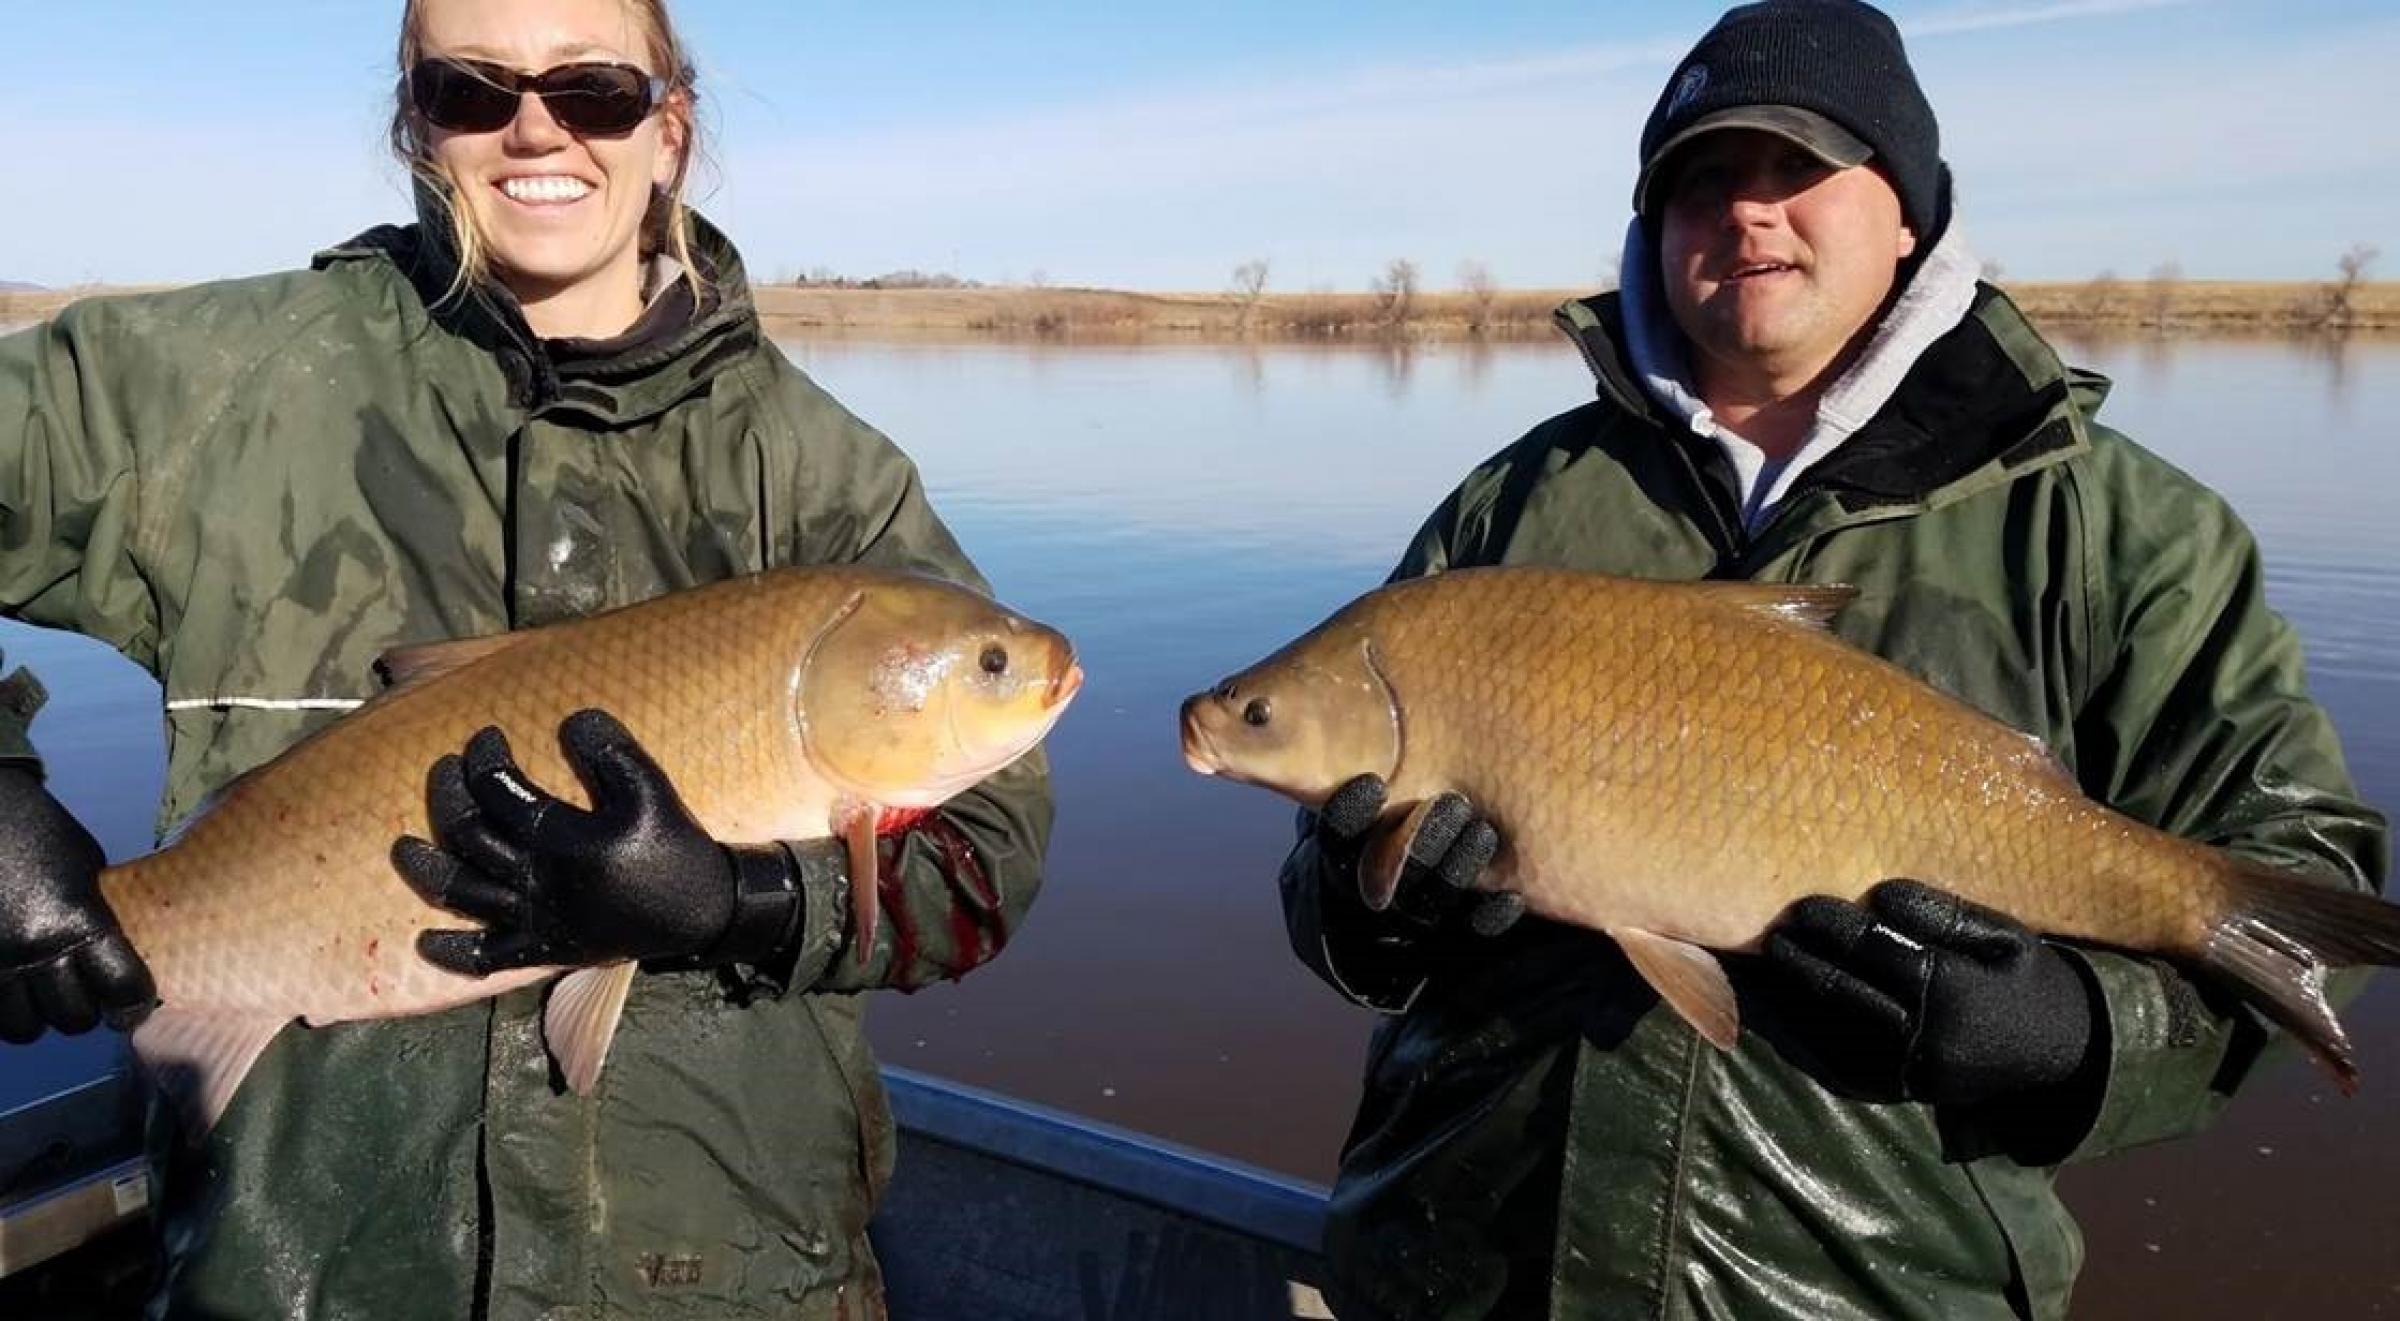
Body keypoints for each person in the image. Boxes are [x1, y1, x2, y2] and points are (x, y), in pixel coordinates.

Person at [1277, 2, 2390, 1317]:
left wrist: (2079, 1037)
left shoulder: (2125, 532)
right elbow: (1338, 881)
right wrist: (1361, 905)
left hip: (1873, 1288)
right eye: (1702, 180)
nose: (1747, 214)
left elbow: (2307, 870)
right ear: (1655, 226)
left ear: (1908, 207)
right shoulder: (1511, 504)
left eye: (1796, 169)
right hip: (1452, 1275)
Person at [0, 0, 1053, 1314]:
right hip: (306, 1275)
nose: (538, 127)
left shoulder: (829, 478)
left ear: (670, 131)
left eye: (597, 90)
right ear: (416, 128)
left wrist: (741, 898)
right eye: (473, 90)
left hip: (733, 1280)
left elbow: (992, 850)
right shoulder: (201, 387)